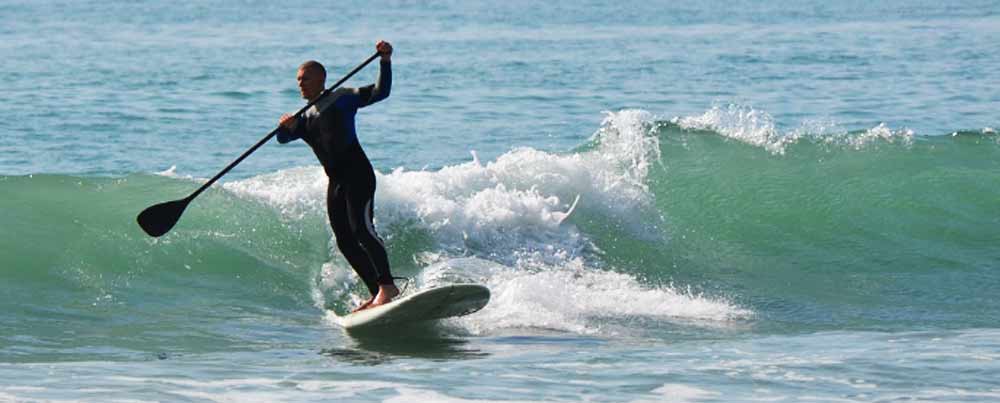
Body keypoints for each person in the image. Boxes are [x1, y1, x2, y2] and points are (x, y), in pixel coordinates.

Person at [276, 40, 398, 312]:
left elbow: (381, 92)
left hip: (358, 175)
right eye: (298, 80)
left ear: (321, 78)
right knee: (344, 241)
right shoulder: (305, 117)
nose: (300, 84)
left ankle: (388, 286)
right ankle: (378, 293)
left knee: (363, 231)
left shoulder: (342, 98)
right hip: (336, 183)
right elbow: (283, 139)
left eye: (306, 78)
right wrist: (284, 126)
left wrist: (385, 61)